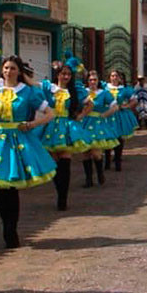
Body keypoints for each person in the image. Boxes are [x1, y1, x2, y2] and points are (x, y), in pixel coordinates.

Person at [0, 55, 57, 247]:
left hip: (17, 141)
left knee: (11, 185)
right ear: (2, 70)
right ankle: (6, 226)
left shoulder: (28, 92)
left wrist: (32, 124)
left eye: (13, 68)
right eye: (6, 68)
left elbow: (50, 113)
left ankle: (11, 229)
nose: (9, 71)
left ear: (19, 72)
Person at [37, 62, 93, 210]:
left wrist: (81, 115)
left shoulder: (75, 91)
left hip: (66, 127)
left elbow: (90, 104)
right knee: (54, 165)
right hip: (50, 128)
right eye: (63, 74)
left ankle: (63, 198)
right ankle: (60, 191)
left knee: (65, 163)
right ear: (58, 75)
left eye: (68, 74)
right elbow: (33, 85)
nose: (66, 76)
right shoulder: (49, 88)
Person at [80, 70, 119, 187]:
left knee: (96, 152)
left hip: (97, 124)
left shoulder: (104, 93)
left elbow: (115, 106)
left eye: (95, 80)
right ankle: (88, 179)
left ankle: (100, 173)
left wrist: (104, 115)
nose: (92, 82)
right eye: (90, 80)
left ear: (98, 81)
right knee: (85, 152)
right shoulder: (83, 92)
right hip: (84, 122)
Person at [104, 70, 138, 171]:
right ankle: (107, 161)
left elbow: (134, 100)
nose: (114, 78)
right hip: (108, 115)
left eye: (116, 76)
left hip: (119, 116)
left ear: (119, 78)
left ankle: (118, 161)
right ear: (109, 77)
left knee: (119, 138)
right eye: (112, 76)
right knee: (107, 137)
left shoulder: (124, 90)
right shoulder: (105, 88)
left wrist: (126, 106)